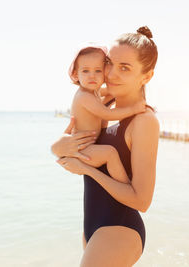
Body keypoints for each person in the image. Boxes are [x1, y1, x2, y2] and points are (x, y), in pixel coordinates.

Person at [51, 26, 159, 266]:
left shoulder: (144, 121)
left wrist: (88, 170)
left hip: (120, 229)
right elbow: (63, 150)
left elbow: (142, 201)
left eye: (125, 68)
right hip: (93, 226)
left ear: (146, 76)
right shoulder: (104, 109)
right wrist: (60, 146)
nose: (111, 74)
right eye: (110, 63)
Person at [67, 43, 146, 184]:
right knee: (110, 153)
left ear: (104, 72)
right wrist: (133, 109)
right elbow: (107, 114)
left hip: (89, 146)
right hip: (82, 149)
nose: (92, 76)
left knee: (109, 152)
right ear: (75, 74)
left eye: (98, 71)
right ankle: (125, 184)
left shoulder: (93, 92)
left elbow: (110, 92)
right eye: (85, 71)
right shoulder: (84, 96)